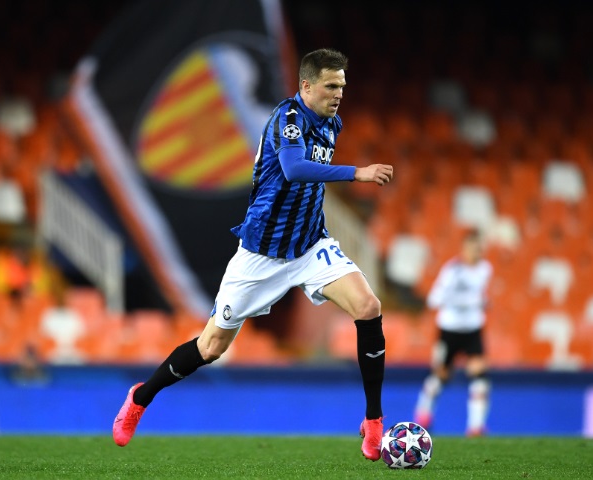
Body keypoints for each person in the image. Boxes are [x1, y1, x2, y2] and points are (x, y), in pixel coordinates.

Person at [112, 48, 394, 460]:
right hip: (261, 253)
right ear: (306, 86)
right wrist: (358, 172)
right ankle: (140, 397)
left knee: (368, 306)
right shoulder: (287, 118)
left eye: (342, 86)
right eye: (331, 86)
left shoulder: (332, 123)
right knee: (210, 348)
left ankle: (373, 421)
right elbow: (294, 169)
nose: (339, 94)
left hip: (310, 246)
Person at [413, 229, 493, 437]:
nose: (477, 252)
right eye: (473, 247)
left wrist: (481, 302)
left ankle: (476, 427)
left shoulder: (485, 269)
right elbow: (434, 299)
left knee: (480, 378)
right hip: (449, 330)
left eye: (479, 248)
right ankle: (423, 415)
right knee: (440, 375)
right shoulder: (452, 270)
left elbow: (481, 296)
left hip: (473, 329)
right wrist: (467, 301)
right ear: (464, 248)